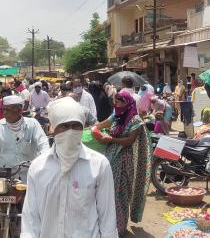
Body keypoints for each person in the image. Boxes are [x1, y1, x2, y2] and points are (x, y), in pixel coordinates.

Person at [21, 97, 118, 238]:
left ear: (83, 127)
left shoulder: (99, 165)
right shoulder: (38, 167)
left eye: (76, 126)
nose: (70, 131)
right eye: (64, 126)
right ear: (53, 128)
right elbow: (31, 217)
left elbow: (107, 216)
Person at [94, 91, 152, 235]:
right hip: (110, 158)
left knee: (121, 194)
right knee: (107, 192)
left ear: (126, 103)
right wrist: (95, 128)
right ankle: (107, 225)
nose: (116, 104)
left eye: (118, 102)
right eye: (115, 102)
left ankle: (120, 227)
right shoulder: (116, 115)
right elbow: (103, 124)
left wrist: (111, 139)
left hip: (124, 160)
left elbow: (129, 141)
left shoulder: (135, 120)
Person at [0, 95, 50, 181]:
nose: (5, 113)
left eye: (8, 110)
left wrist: (45, 158)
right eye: (4, 109)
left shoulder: (33, 124)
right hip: (3, 174)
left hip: (28, 174)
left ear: (19, 110)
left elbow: (43, 144)